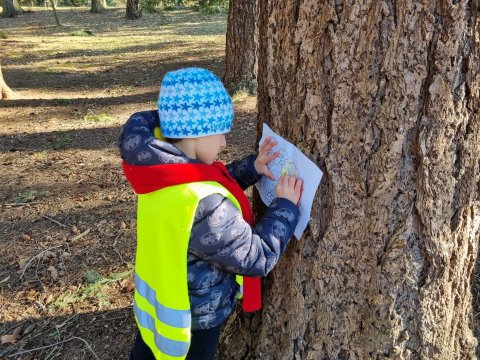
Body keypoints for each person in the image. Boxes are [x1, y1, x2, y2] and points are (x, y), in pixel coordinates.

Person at [119, 67, 302, 360]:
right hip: (194, 321)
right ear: (196, 134)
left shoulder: (159, 173)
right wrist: (285, 207)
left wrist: (251, 169)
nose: (224, 143)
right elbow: (255, 256)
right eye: (221, 134)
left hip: (158, 305)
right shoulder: (202, 202)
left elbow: (207, 181)